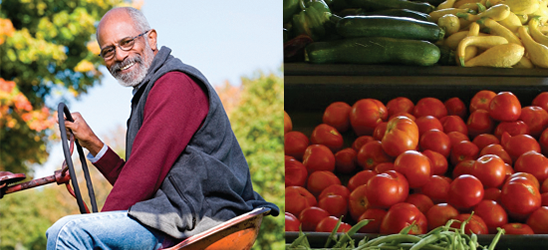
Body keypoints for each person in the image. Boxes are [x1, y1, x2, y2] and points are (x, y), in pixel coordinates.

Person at [46, 6, 279, 250]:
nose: (120, 56)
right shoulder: (147, 91)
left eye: (126, 42)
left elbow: (141, 179)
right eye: (108, 51)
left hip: (199, 218)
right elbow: (139, 181)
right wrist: (92, 142)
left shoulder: (174, 84)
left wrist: (98, 227)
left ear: (151, 38)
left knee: (67, 234)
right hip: (172, 216)